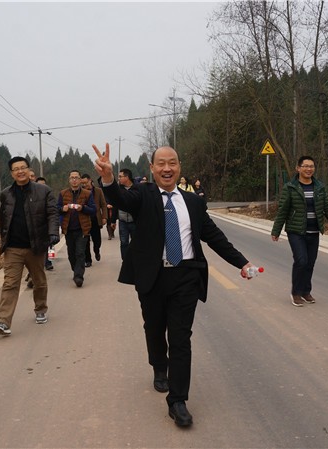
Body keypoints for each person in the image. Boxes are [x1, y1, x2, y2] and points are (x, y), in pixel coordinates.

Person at [93, 143, 256, 428]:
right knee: (154, 328)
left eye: (172, 163)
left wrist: (241, 262)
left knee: (181, 338)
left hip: (186, 276)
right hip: (153, 276)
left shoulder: (193, 202)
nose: (167, 168)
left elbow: (213, 236)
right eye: (161, 163)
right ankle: (159, 366)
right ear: (152, 168)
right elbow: (120, 198)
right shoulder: (143, 194)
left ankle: (178, 400)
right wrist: (108, 178)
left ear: (179, 167)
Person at [0, 157, 59, 336]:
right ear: (11, 173)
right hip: (13, 247)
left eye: (23, 168)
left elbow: (52, 213)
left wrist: (53, 232)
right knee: (10, 283)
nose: (20, 171)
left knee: (39, 281)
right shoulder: (6, 194)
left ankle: (41, 309)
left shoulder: (43, 191)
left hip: (35, 246)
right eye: (16, 169)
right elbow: (3, 218)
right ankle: (3, 321)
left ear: (29, 170)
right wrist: (4, 240)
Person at [271, 155, 328, 307]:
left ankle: (306, 291)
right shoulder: (290, 187)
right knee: (301, 261)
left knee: (310, 263)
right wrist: (276, 231)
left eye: (311, 166)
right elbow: (283, 210)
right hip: (296, 231)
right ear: (298, 168)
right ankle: (296, 293)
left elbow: (327, 209)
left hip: (313, 231)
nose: (309, 169)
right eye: (305, 166)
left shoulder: (319, 187)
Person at [57, 169, 95, 287]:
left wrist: (82, 208)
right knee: (71, 254)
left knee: (80, 253)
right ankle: (76, 270)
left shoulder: (87, 194)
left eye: (76, 178)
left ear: (80, 180)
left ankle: (79, 276)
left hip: (82, 229)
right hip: (68, 229)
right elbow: (56, 208)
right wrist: (62, 209)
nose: (74, 180)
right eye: (72, 178)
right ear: (69, 180)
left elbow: (93, 209)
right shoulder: (63, 193)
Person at [81, 173, 108, 266]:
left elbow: (103, 204)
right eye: (82, 183)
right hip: (85, 219)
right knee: (85, 241)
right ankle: (88, 260)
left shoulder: (98, 191)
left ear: (90, 180)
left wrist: (104, 217)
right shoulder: (81, 192)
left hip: (95, 219)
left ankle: (96, 251)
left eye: (86, 182)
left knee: (97, 240)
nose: (84, 185)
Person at [116, 168, 136, 261]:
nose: (119, 178)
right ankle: (125, 261)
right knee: (124, 242)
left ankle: (135, 261)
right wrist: (112, 220)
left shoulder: (137, 188)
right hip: (123, 221)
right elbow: (115, 205)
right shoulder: (118, 190)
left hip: (135, 221)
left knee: (136, 242)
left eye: (120, 176)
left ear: (127, 177)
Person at [36, 177, 55, 271]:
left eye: (44, 185)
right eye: (39, 185)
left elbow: (54, 212)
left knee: (50, 245)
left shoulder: (49, 197)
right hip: (37, 226)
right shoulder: (32, 198)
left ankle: (49, 262)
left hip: (48, 225)